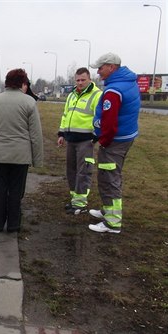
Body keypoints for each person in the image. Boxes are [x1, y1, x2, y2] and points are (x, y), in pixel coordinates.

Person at [0, 68, 43, 233]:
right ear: (23, 83)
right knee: (16, 191)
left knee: (0, 189)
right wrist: (37, 160)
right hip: (21, 155)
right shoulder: (29, 102)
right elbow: (36, 134)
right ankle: (14, 224)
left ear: (6, 82)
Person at [87, 53, 140, 234]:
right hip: (126, 137)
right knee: (111, 175)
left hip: (114, 142)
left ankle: (112, 222)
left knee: (109, 178)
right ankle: (108, 210)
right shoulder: (129, 81)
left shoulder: (113, 91)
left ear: (111, 67)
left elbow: (109, 123)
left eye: (100, 68)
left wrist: (103, 140)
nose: (98, 72)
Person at [57, 67, 103, 215]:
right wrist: (61, 133)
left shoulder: (97, 95)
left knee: (84, 172)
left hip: (86, 141)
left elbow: (100, 118)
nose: (80, 83)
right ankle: (74, 200)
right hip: (71, 139)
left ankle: (81, 204)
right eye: (77, 80)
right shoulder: (71, 95)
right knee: (71, 170)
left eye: (83, 79)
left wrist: (95, 136)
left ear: (90, 79)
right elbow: (65, 115)